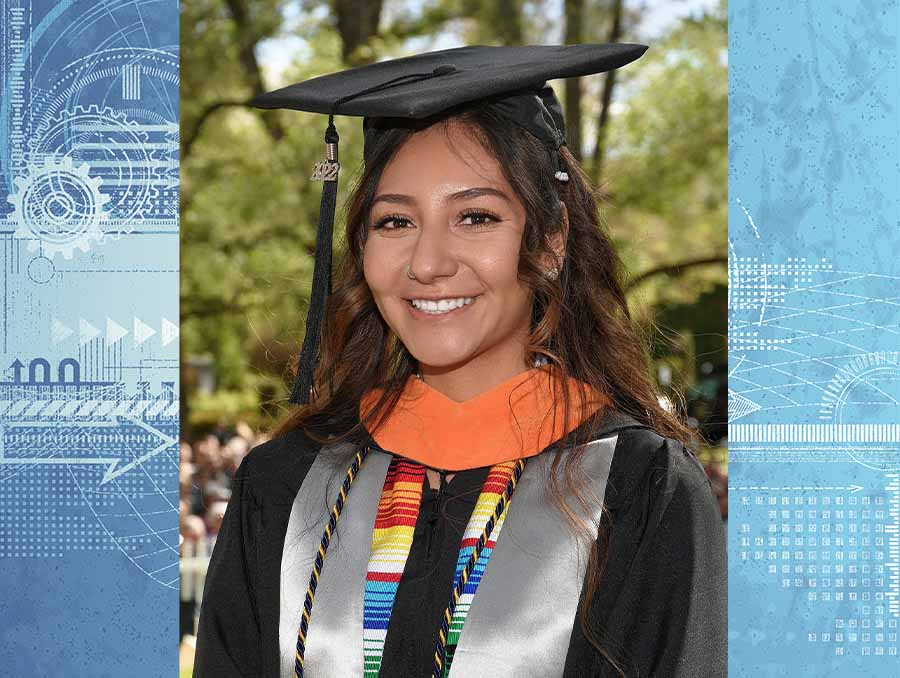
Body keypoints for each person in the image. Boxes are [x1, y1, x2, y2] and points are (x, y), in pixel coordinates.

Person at [193, 44, 727, 678]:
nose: (427, 262)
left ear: (550, 242)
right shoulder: (285, 485)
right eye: (394, 222)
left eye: (476, 216)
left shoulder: (639, 489)